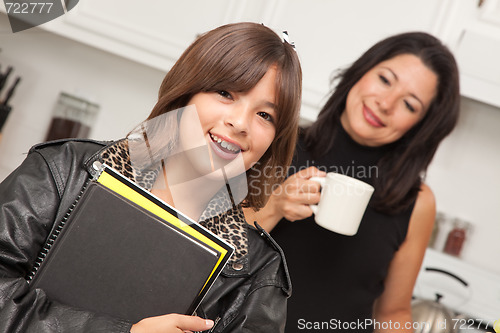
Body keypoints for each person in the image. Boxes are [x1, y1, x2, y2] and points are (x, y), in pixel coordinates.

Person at [0, 22, 302, 332]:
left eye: (265, 115)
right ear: (186, 92)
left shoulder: (258, 276)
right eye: (226, 93)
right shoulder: (62, 171)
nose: (240, 122)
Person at [244, 31, 460, 332]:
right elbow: (217, 251)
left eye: (409, 105)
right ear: (362, 72)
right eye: (385, 79)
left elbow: (392, 313)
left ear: (421, 127)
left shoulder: (417, 201)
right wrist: (275, 206)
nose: (385, 103)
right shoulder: (274, 142)